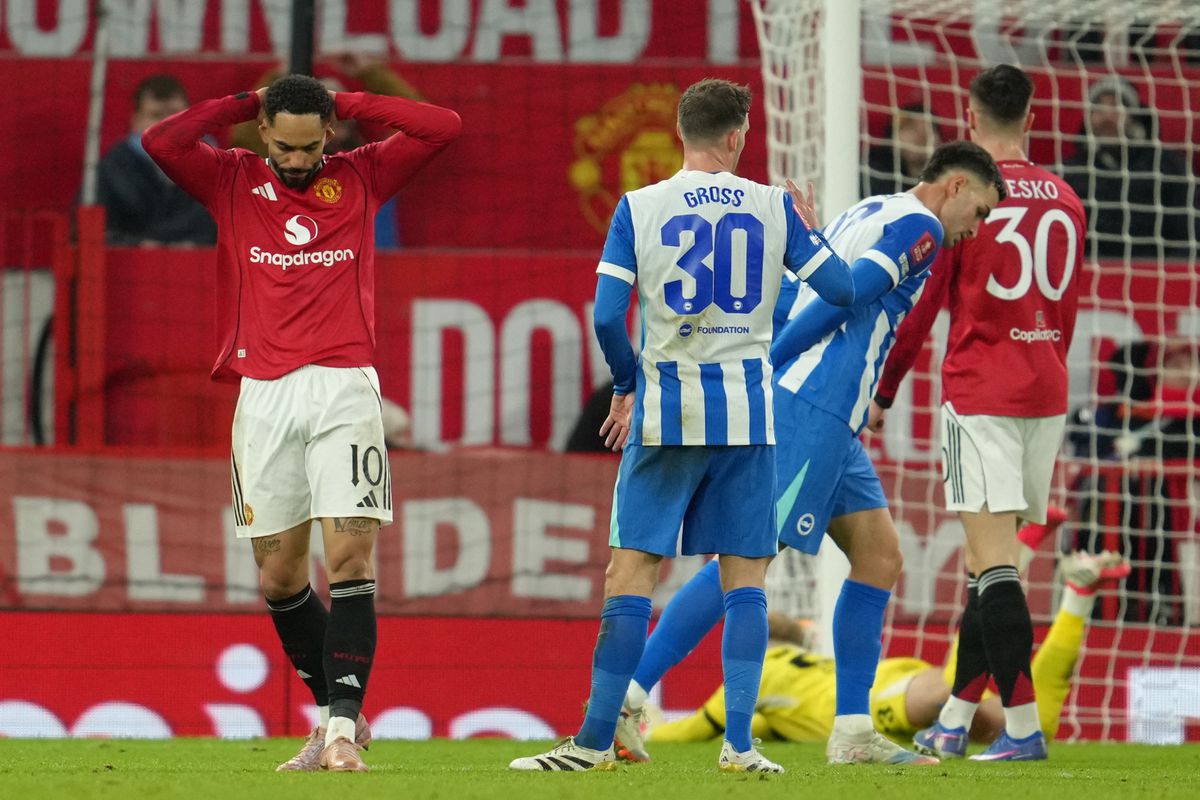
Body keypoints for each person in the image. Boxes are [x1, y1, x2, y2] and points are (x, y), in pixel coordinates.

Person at [614, 140, 1005, 767]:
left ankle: (852, 731)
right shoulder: (924, 228)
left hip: (834, 416)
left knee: (879, 556)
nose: (975, 228)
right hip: (813, 404)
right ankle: (629, 698)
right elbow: (844, 296)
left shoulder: (870, 210)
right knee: (746, 558)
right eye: (981, 211)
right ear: (956, 186)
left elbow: (808, 281)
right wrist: (773, 359)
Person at [508, 78, 857, 775]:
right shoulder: (774, 207)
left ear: (680, 133)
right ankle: (741, 747)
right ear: (736, 137)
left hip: (667, 413)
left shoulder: (639, 207)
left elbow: (607, 317)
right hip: (748, 418)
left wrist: (626, 385)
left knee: (631, 572)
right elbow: (844, 290)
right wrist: (809, 233)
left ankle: (593, 744)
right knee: (745, 579)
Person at [142, 74, 461, 772]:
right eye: (284, 147)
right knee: (280, 578)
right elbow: (160, 141)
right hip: (263, 395)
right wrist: (243, 101)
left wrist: (347, 101)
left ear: (329, 135)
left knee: (349, 559)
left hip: (344, 388)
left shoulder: (363, 174)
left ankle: (341, 730)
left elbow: (443, 125)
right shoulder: (230, 179)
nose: (296, 161)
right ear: (263, 132)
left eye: (310, 146)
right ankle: (335, 715)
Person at [873, 64, 1086, 762]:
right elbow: (1067, 312)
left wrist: (884, 390)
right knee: (986, 565)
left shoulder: (966, 195)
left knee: (994, 567)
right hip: (1045, 390)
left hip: (982, 391)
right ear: (1031, 118)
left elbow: (924, 308)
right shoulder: (1067, 200)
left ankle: (1022, 729)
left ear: (969, 118)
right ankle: (954, 719)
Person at [646, 550, 1131, 748]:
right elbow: (768, 721)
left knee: (951, 688)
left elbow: (693, 729)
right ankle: (1075, 596)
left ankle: (1002, 563)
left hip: (874, 704)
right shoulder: (799, 670)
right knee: (1025, 724)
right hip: (884, 676)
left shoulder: (752, 682)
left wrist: (651, 729)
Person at [231, 53, 425, 249]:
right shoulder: (286, 169)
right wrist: (278, 80)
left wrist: (372, 74)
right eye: (322, 117)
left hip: (375, 261)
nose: (333, 124)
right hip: (300, 261)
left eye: (338, 111)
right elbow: (244, 139)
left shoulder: (372, 166)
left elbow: (421, 125)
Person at [1062, 76, 1195, 260]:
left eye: (1116, 105)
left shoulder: (1168, 168)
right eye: (1098, 107)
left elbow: (1187, 237)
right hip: (1090, 271)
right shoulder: (1069, 173)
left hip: (1155, 271)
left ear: (1134, 117)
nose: (1106, 115)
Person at [95, 74, 217, 245]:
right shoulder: (113, 168)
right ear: (136, 121)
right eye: (156, 115)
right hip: (133, 260)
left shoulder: (218, 165)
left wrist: (198, 245)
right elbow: (91, 232)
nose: (167, 123)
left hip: (203, 260)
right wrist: (138, 245)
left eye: (175, 114)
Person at [863, 102, 943, 198]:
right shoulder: (873, 175)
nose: (922, 136)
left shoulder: (947, 183)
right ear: (892, 136)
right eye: (911, 128)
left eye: (930, 128)